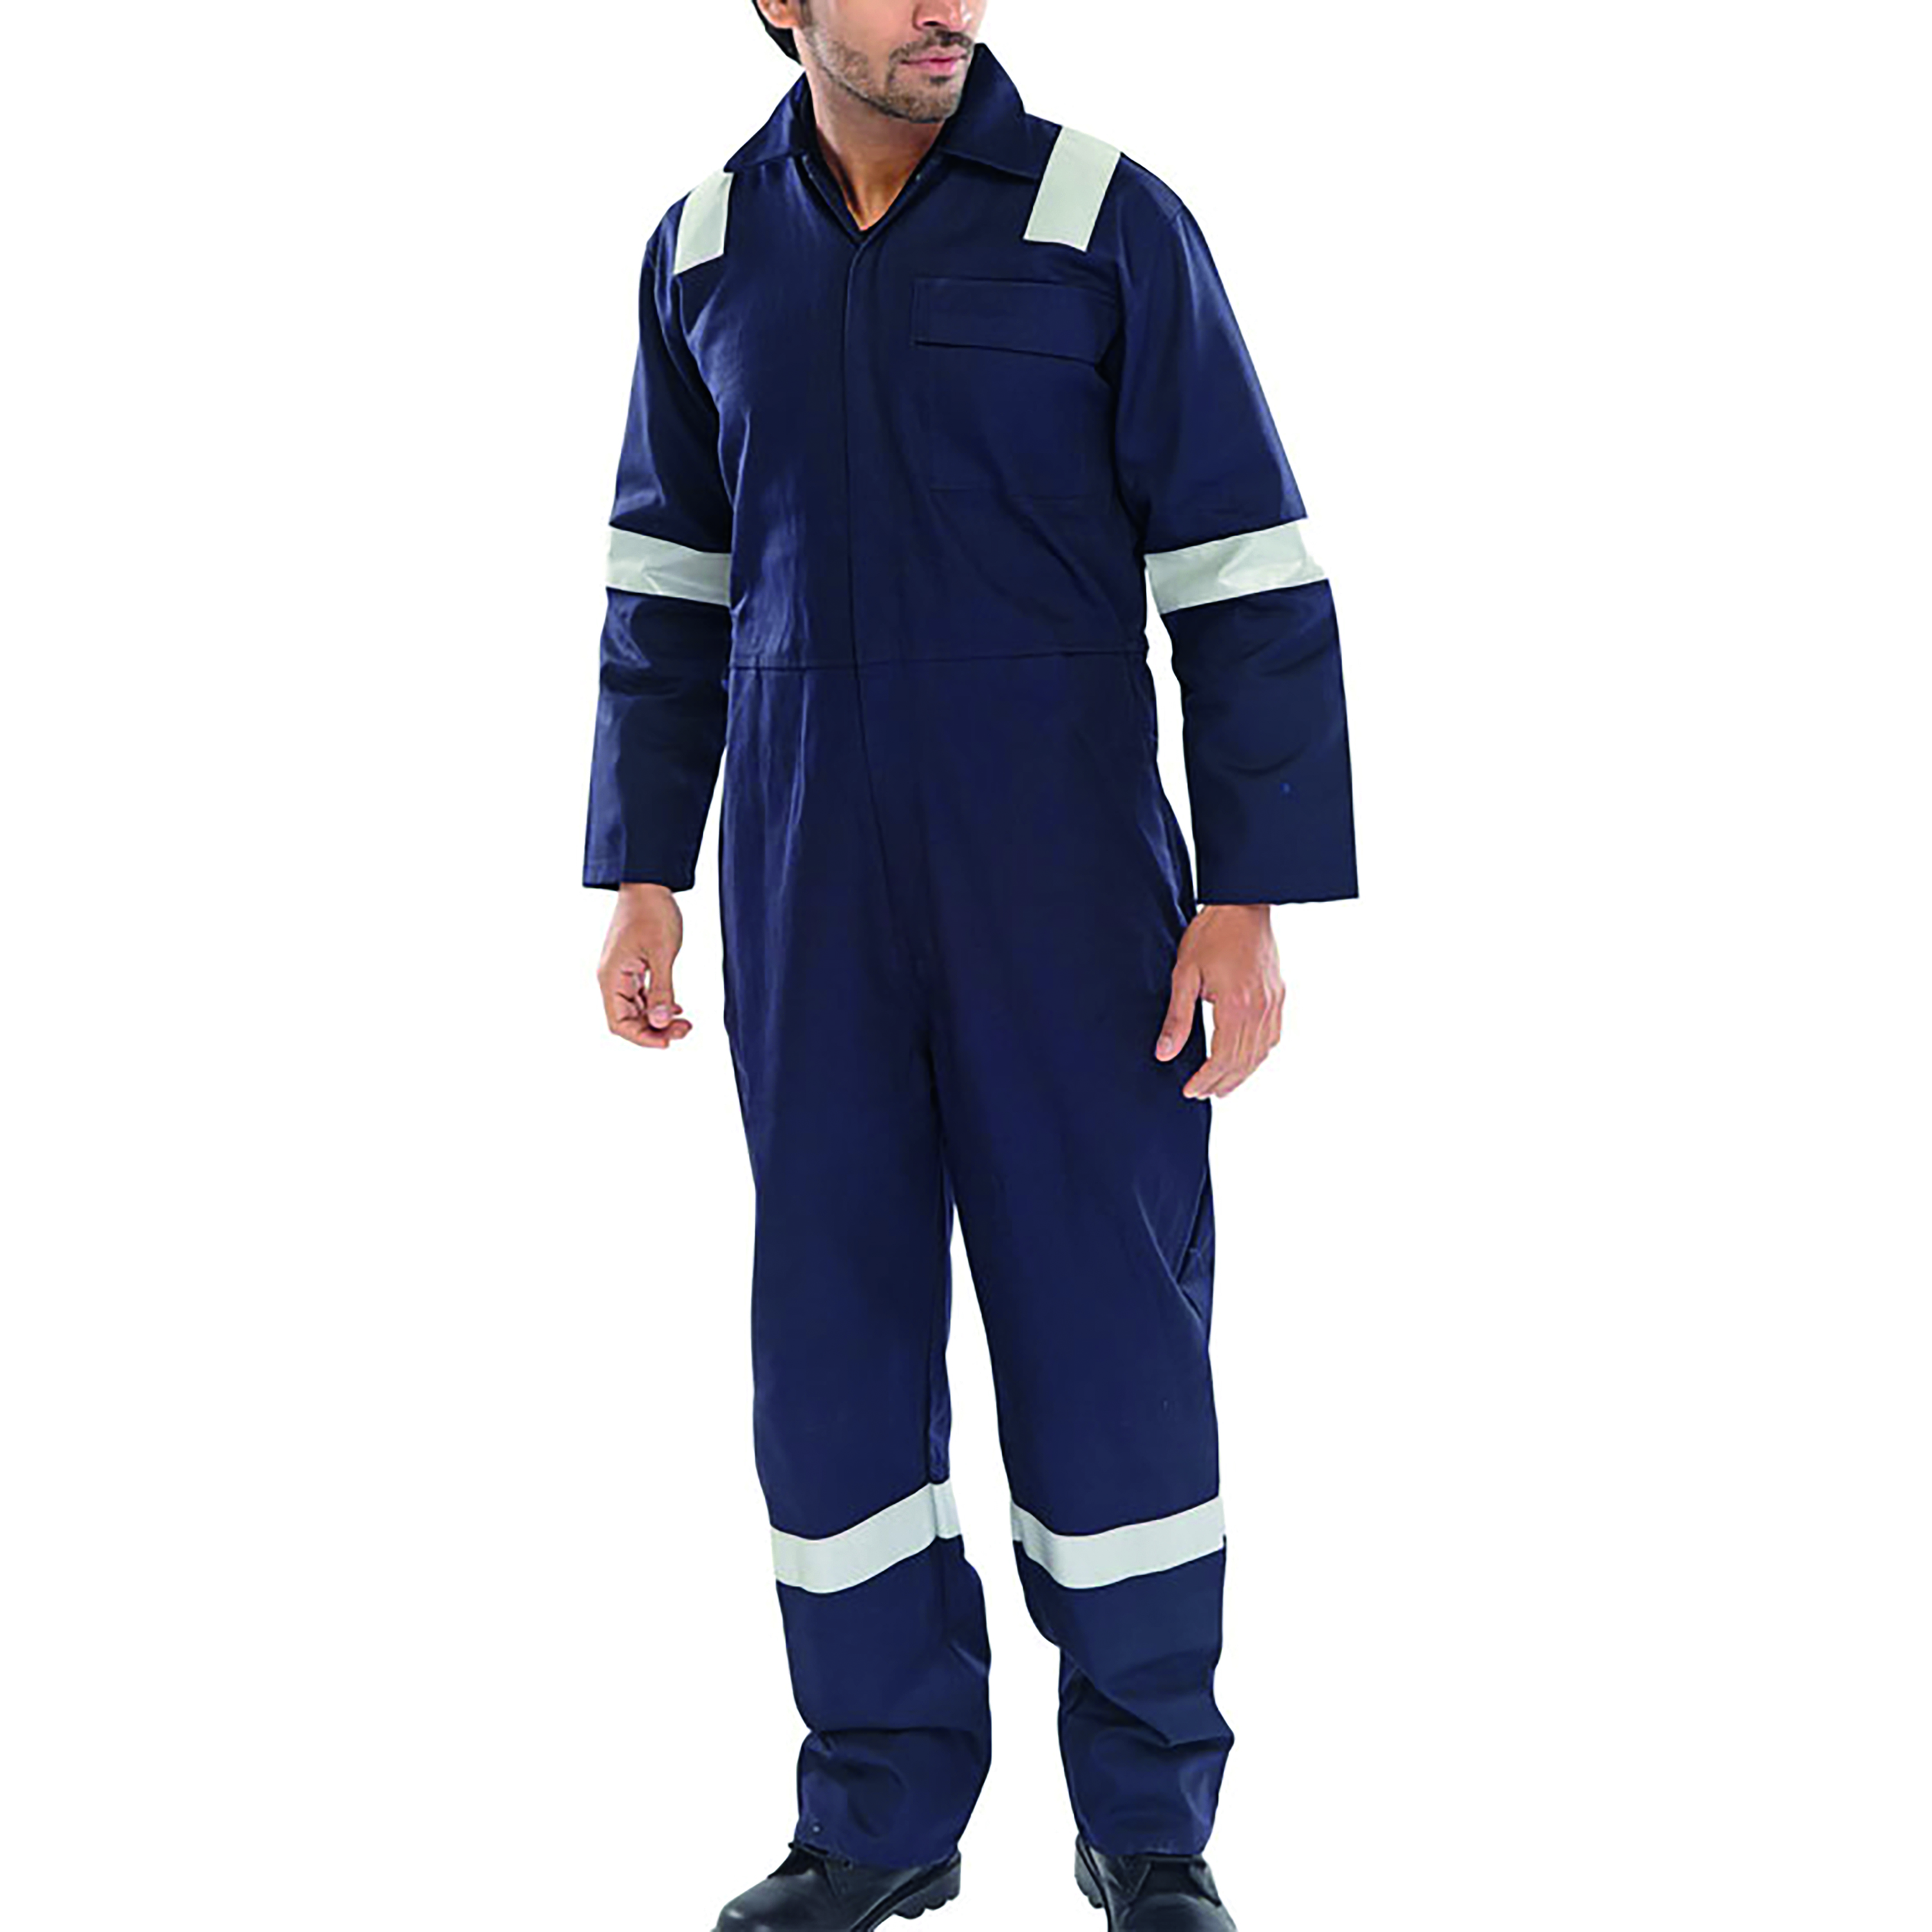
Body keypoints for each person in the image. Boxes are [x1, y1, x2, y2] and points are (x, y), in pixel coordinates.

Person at [585, 5, 1356, 1926]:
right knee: (832, 1346)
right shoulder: (701, 252)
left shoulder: (1103, 219)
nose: (949, 5)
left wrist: (1251, 888)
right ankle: (878, 1815)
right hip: (803, 882)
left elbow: (1244, 566)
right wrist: (645, 867)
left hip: (1065, 887)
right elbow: (668, 582)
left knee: (1109, 1342)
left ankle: (1150, 1824)